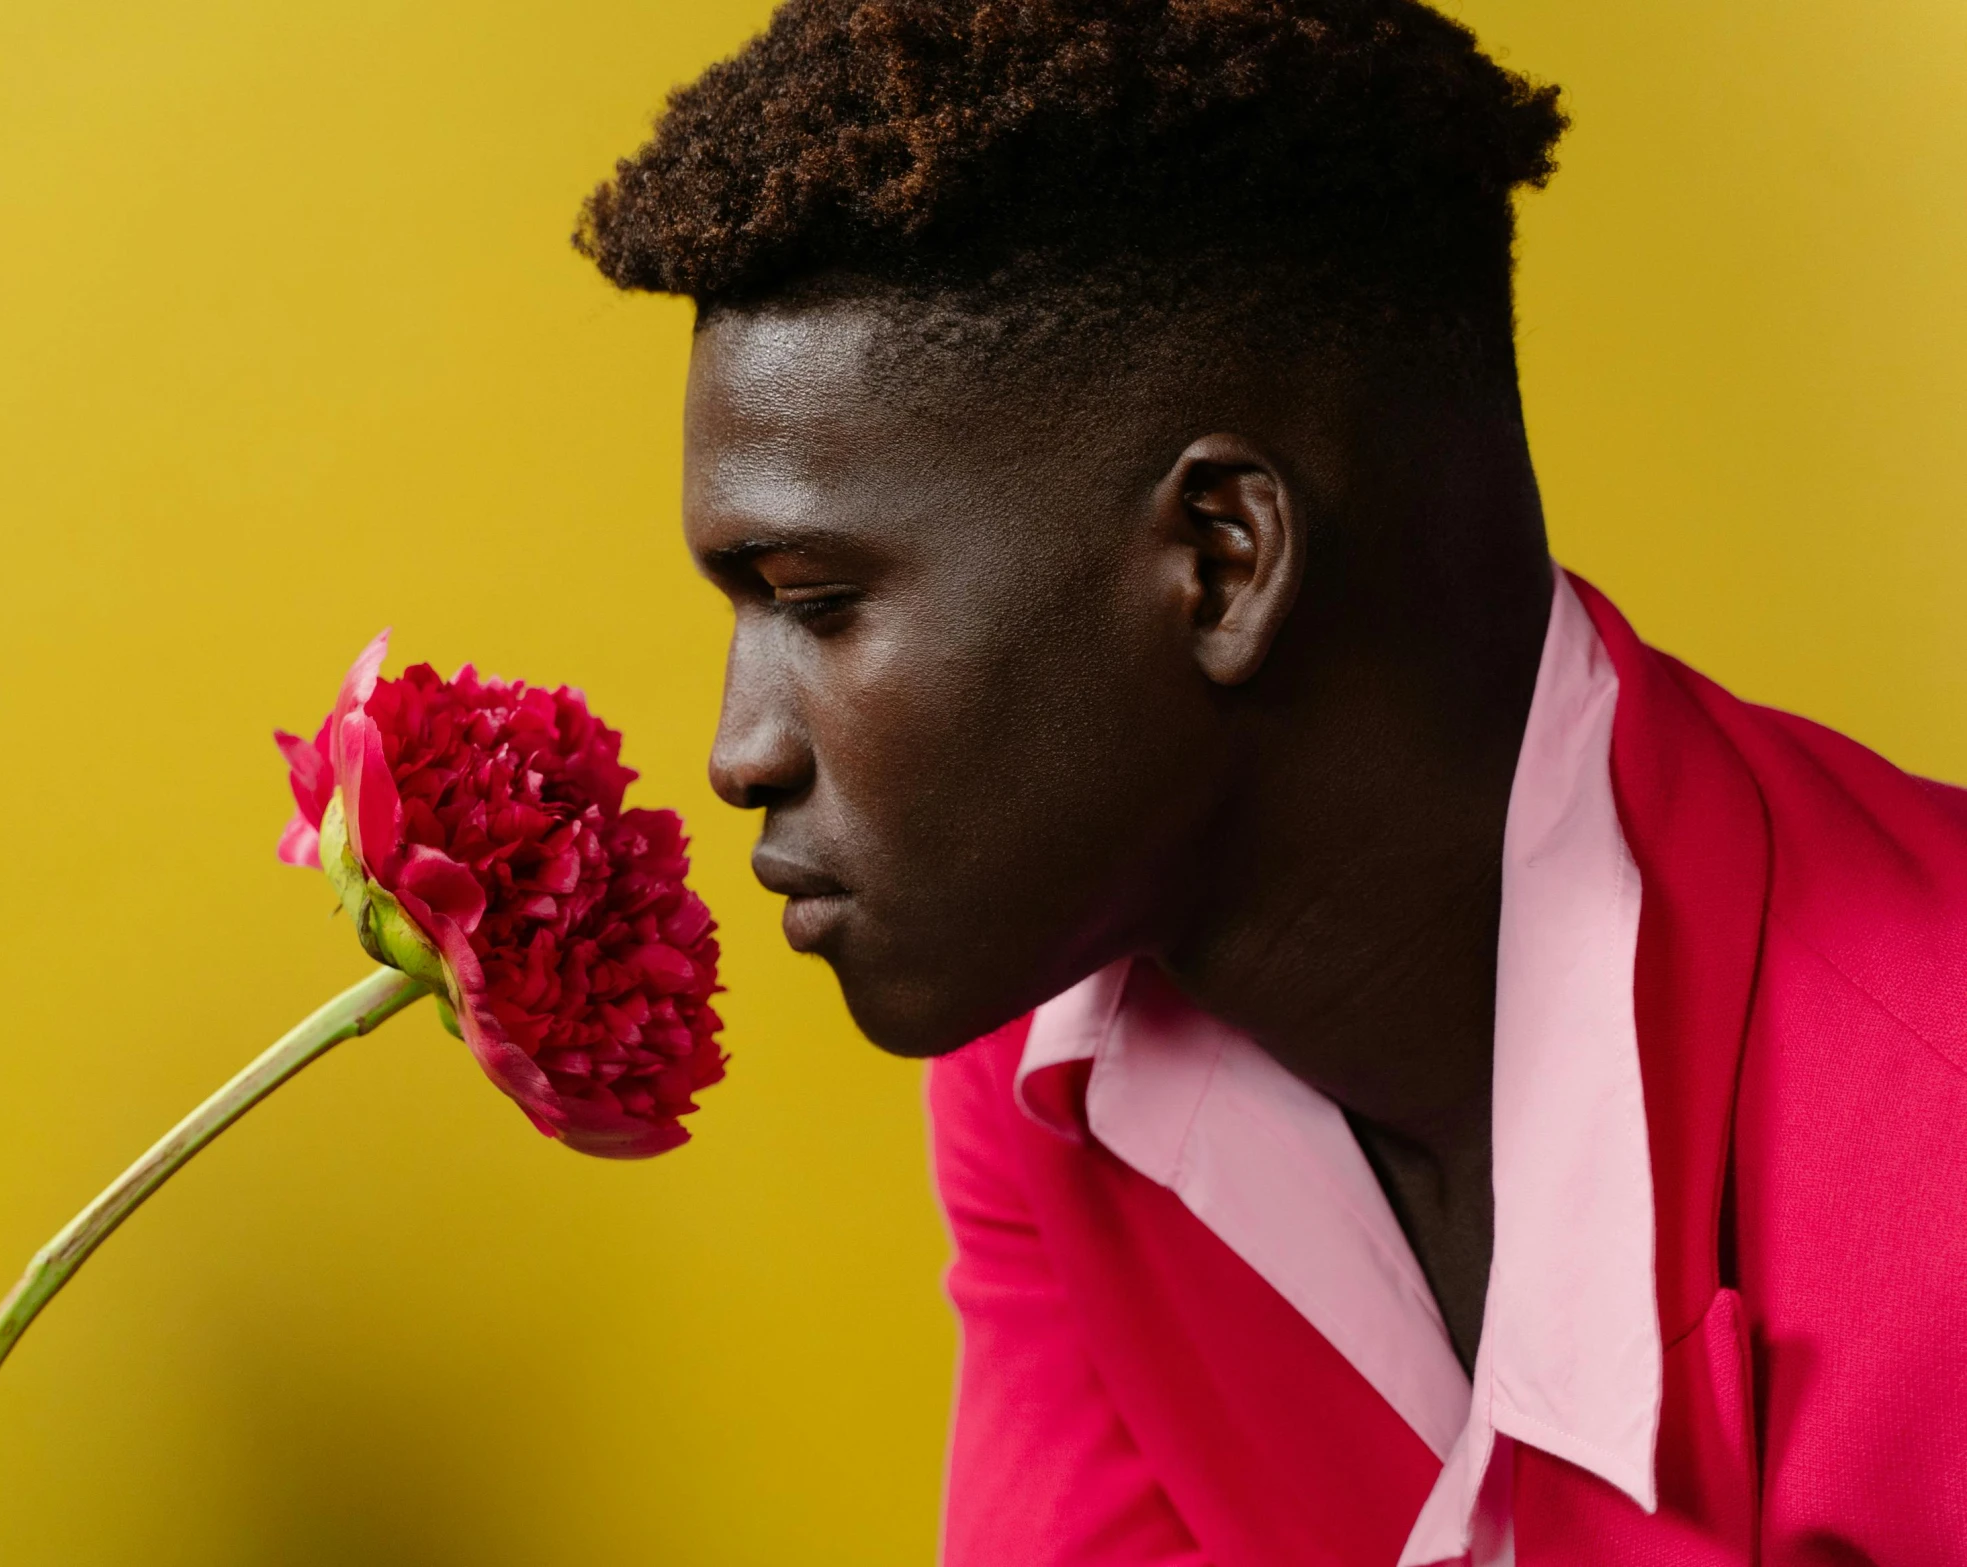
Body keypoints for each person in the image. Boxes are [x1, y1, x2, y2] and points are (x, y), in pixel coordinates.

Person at [575, 2, 1967, 1561]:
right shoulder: (1043, 1076)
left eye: (816, 602)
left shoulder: (1937, 1129)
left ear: (1221, 559)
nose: (736, 749)